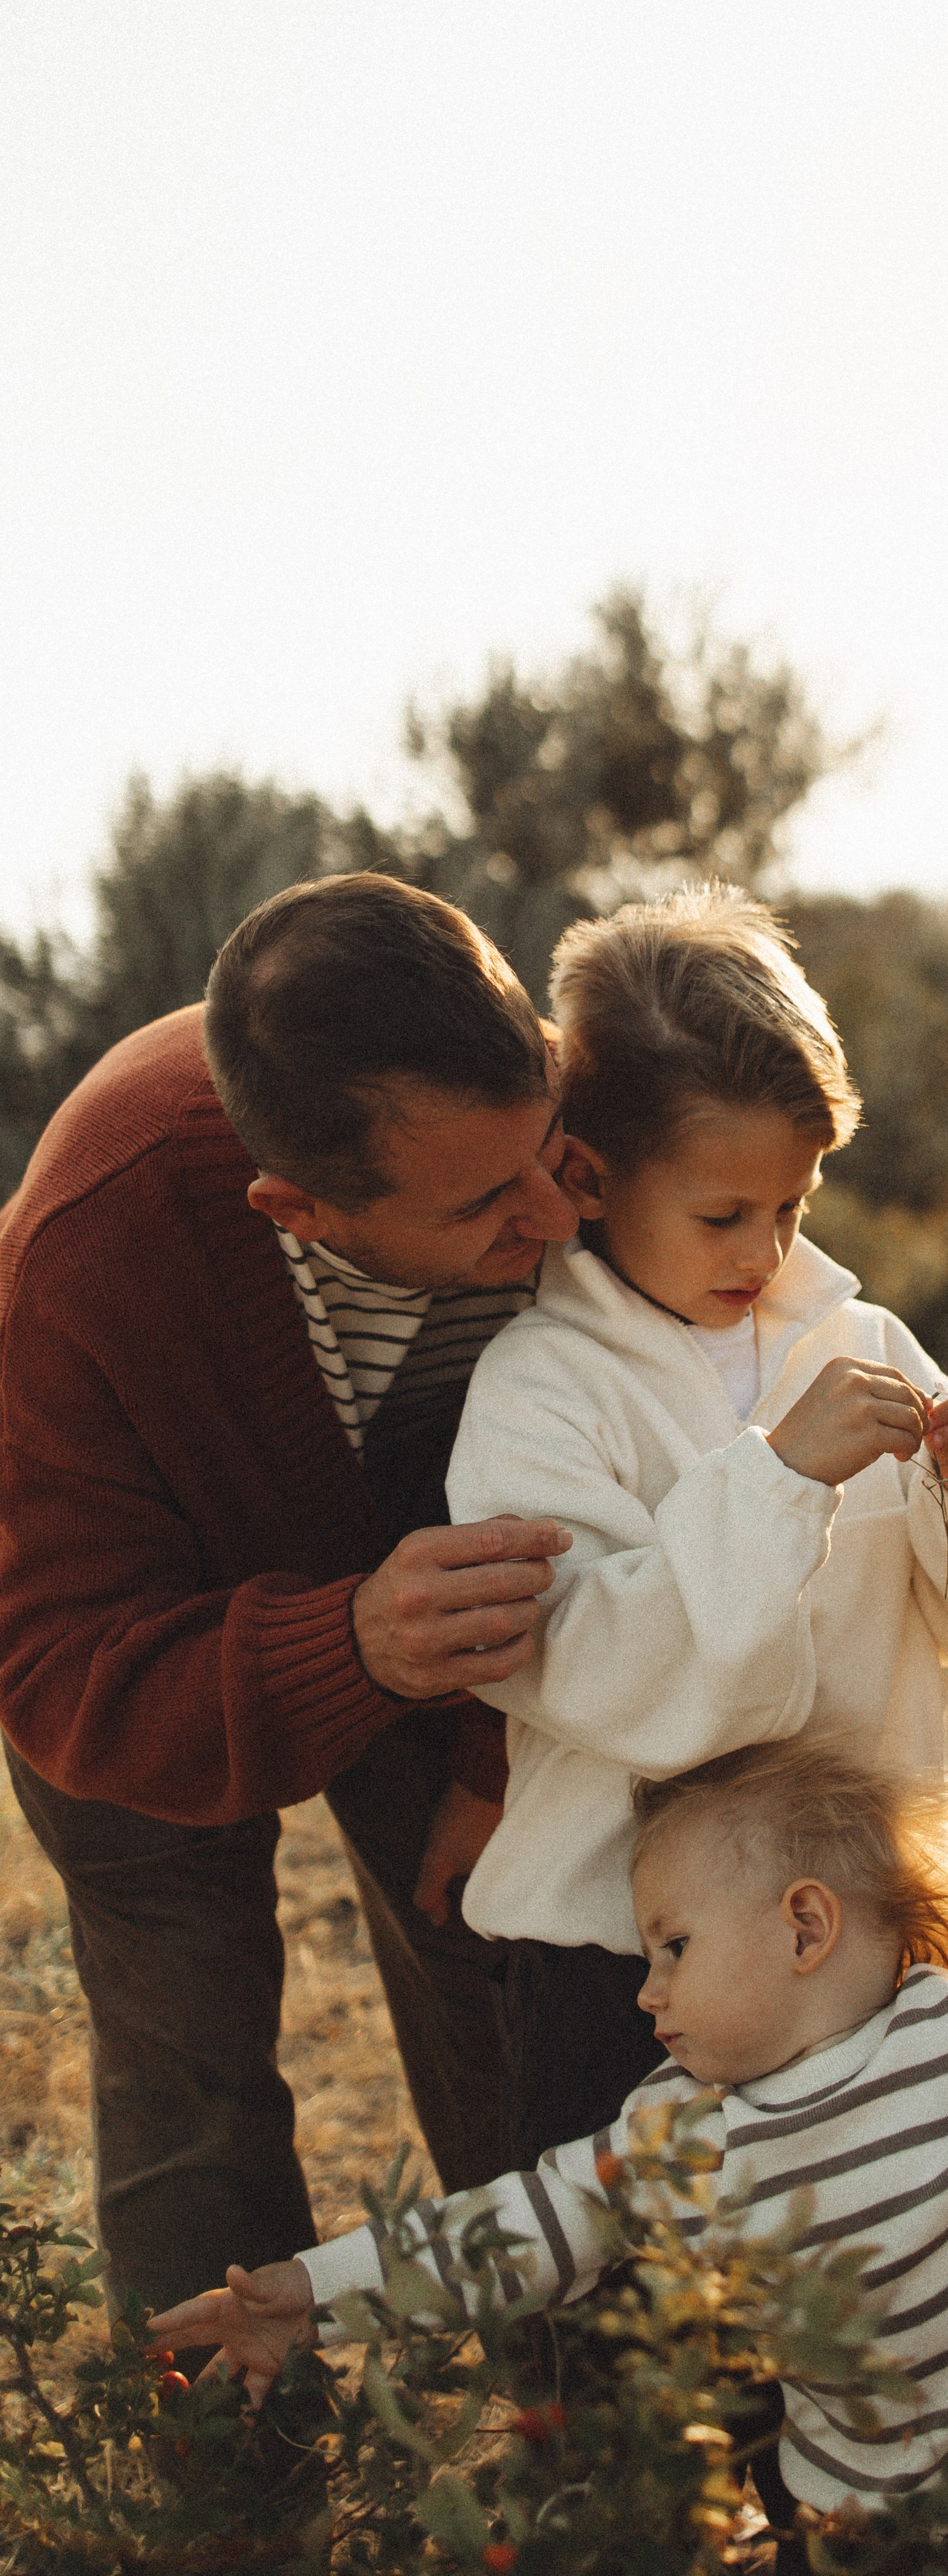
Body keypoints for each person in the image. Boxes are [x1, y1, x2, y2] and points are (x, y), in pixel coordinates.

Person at [151, 1732, 948, 2575]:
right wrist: (315, 2294)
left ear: (805, 1926)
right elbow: (509, 2234)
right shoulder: (680, 2135)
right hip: (873, 2542)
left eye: (673, 1948)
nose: (647, 1992)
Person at [0, 873, 581, 2315]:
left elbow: (605, 1507)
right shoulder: (88, 1248)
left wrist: (497, 1765)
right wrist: (353, 1643)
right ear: (298, 1210)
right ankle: (228, 2487)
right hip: (130, 1657)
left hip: (438, 1624)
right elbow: (53, 1665)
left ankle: (584, 2450)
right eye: (487, 1205)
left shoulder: (544, 1129)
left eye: (552, 1151)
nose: (561, 1221)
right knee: (188, 2071)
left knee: (506, 1961)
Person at [443, 886, 948, 2159]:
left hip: (853, 1936)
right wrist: (779, 1480)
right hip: (619, 1960)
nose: (767, 1247)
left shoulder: (857, 1341)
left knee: (877, 2290)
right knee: (635, 2319)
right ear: (589, 1172)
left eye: (794, 1205)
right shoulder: (539, 1387)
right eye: (723, 1215)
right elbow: (581, 1665)